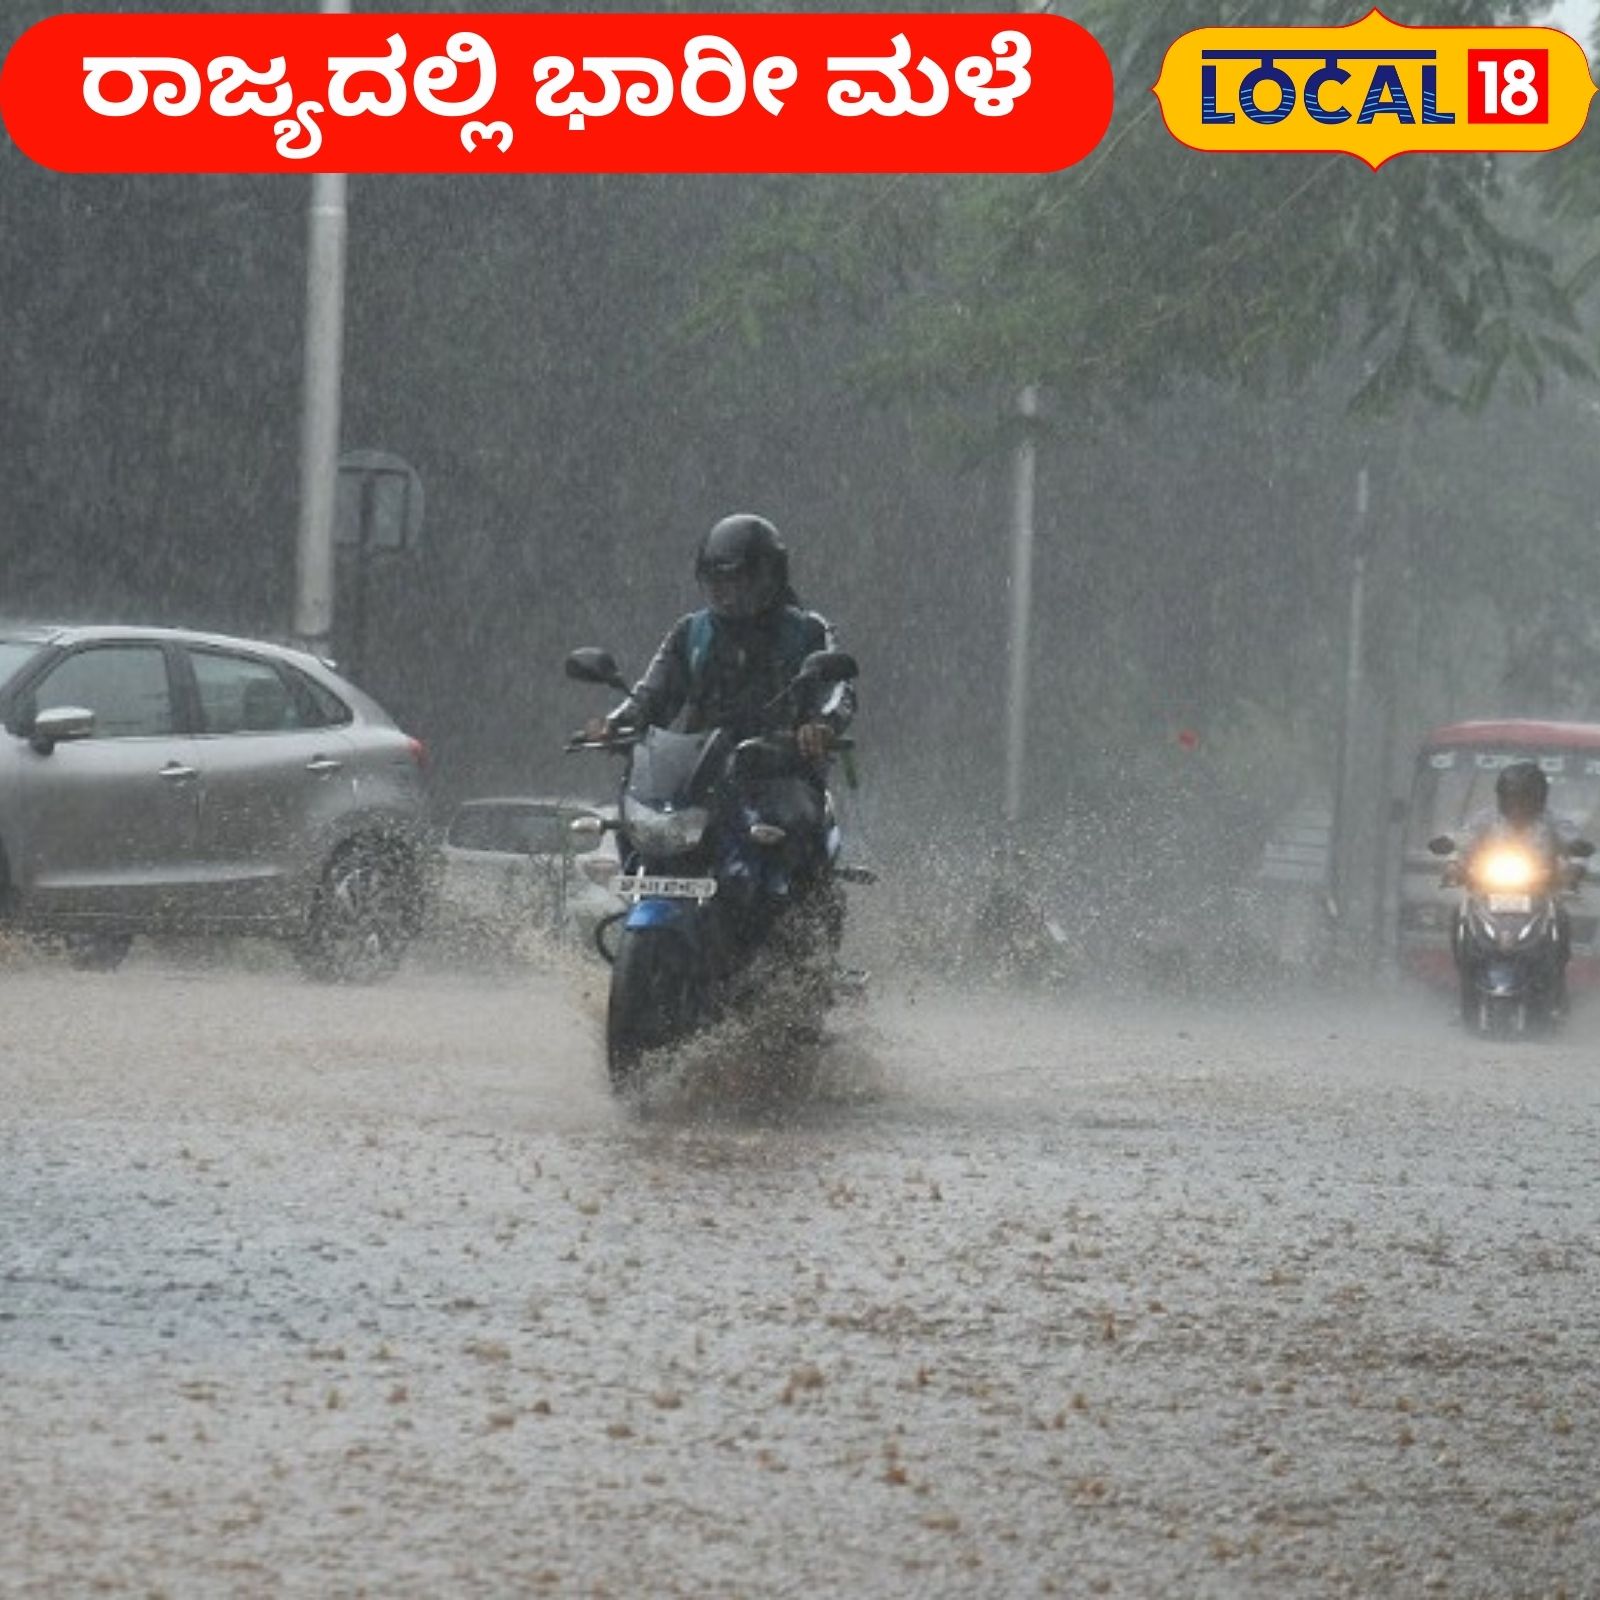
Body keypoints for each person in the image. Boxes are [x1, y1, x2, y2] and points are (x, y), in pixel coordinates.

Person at [589, 513, 855, 754]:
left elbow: (837, 692)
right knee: (653, 804)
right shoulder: (692, 633)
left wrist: (821, 725)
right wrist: (616, 724)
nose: (726, 597)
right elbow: (653, 695)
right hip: (698, 781)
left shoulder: (806, 630)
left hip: (785, 775)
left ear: (769, 577)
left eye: (737, 583)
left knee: (791, 806)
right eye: (716, 585)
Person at [1457, 760, 1577, 1014]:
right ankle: (1466, 991)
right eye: (1512, 796)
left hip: (1540, 894)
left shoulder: (1552, 822)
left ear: (1540, 798)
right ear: (1502, 797)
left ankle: (1557, 994)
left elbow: (1573, 844)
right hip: (1488, 893)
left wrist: (1575, 864)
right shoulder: (1485, 819)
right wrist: (1454, 865)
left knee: (1562, 921)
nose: (1519, 804)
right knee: (1459, 918)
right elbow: (1463, 842)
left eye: (1526, 796)